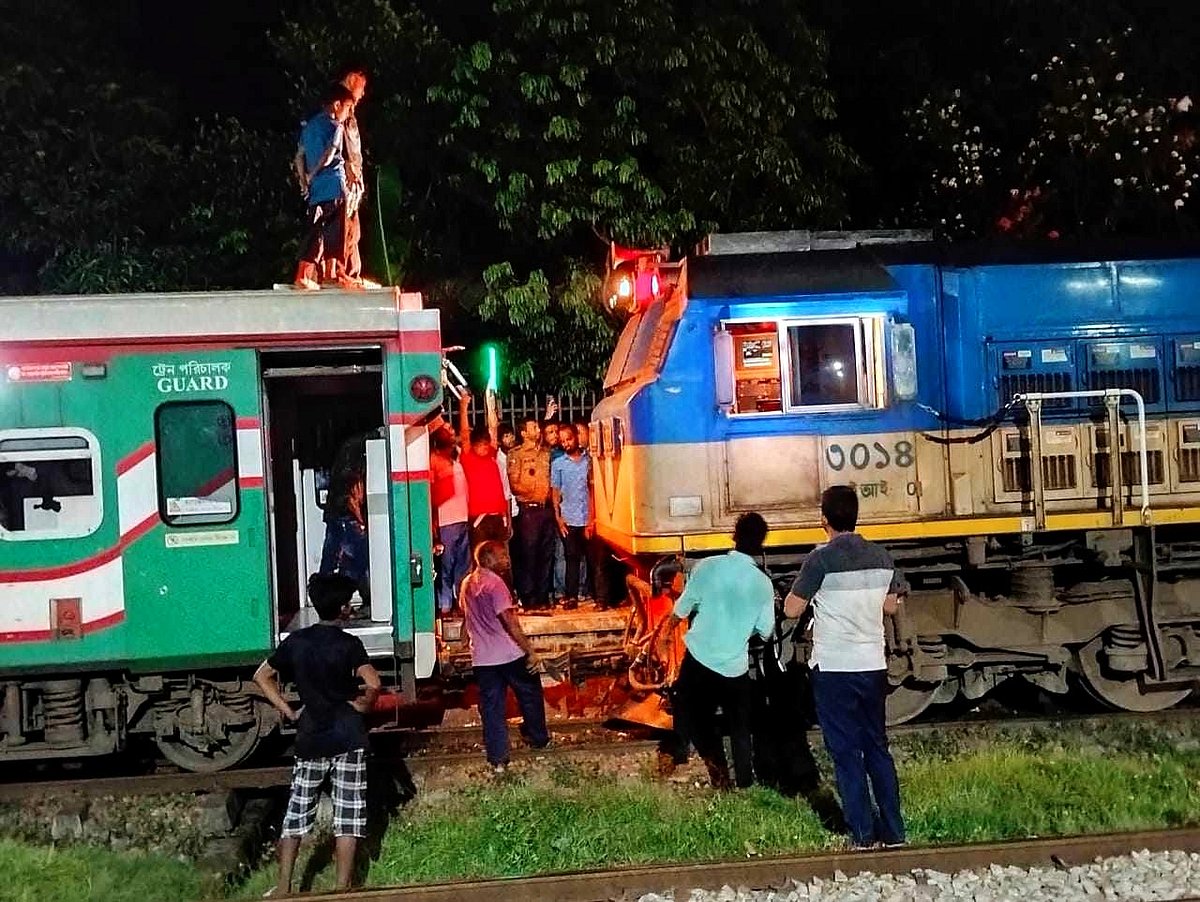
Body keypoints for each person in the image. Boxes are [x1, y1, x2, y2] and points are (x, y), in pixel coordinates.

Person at [783, 485, 906, 850]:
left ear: (824, 519)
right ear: (855, 516)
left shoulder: (819, 560)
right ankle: (895, 832)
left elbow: (792, 609)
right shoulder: (881, 557)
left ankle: (863, 835)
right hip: (872, 665)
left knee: (846, 752)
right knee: (877, 748)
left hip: (835, 667)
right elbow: (890, 607)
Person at [253, 574, 382, 895]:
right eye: (350, 602)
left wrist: (288, 710)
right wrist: (363, 705)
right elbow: (374, 683)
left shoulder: (296, 642)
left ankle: (284, 888)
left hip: (311, 735)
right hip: (348, 735)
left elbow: (261, 676)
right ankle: (342, 888)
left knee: (297, 812)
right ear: (341, 609)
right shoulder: (349, 644)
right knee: (349, 813)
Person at [656, 513, 776, 790]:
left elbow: (680, 610)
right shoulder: (762, 584)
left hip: (699, 658)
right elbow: (766, 630)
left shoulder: (707, 567)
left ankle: (681, 756)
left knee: (688, 709)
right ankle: (744, 780)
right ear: (761, 545)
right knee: (740, 726)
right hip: (734, 666)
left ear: (733, 536)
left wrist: (664, 637)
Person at [460, 540, 550, 773]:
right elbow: (510, 622)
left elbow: (466, 617)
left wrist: (464, 644)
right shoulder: (496, 584)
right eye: (502, 555)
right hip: (508, 653)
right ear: (488, 559)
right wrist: (530, 652)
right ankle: (538, 738)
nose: (507, 559)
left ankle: (498, 757)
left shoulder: (467, 583)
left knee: (492, 708)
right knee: (529, 692)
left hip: (482, 658)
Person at [292, 84, 356, 290]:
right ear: (337, 105)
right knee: (336, 232)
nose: (347, 114)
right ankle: (330, 274)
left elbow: (299, 156)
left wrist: (304, 180)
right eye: (347, 108)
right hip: (333, 186)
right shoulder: (336, 127)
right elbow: (330, 154)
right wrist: (314, 172)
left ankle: (305, 275)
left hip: (316, 191)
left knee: (315, 229)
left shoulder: (309, 127)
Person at [551, 424, 608, 610]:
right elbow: (555, 492)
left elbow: (593, 491)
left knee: (595, 561)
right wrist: (559, 518)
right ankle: (571, 597)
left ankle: (600, 599)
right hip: (569, 518)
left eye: (569, 439)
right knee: (571, 560)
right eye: (563, 441)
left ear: (576, 437)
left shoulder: (589, 461)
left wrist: (591, 520)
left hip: (589, 518)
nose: (566, 444)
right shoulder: (558, 464)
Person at [507, 416, 555, 610]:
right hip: (529, 510)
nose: (538, 429)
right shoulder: (516, 454)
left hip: (546, 509)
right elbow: (515, 484)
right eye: (533, 427)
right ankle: (529, 598)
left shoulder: (546, 453)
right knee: (528, 555)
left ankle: (543, 597)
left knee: (546, 554)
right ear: (524, 433)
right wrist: (534, 492)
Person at [457, 392, 510, 553]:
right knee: (481, 560)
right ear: (474, 445)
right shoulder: (468, 457)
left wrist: (490, 401)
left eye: (486, 444)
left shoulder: (492, 454)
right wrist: (463, 406)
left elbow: (493, 428)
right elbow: (465, 434)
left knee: (501, 561)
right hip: (480, 518)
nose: (484, 448)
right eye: (481, 445)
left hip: (498, 516)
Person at [431, 425, 469, 615]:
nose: (453, 436)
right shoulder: (434, 461)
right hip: (446, 521)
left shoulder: (456, 459)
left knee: (462, 565)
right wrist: (434, 525)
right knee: (446, 566)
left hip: (462, 519)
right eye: (449, 433)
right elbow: (431, 495)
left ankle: (459, 602)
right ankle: (445, 604)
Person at [337, 67, 368, 284]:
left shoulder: (352, 114)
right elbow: (336, 141)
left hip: (355, 176)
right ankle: (340, 270)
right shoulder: (342, 111)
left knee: (353, 226)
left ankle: (352, 271)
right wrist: (347, 165)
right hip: (346, 177)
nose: (363, 94)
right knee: (343, 224)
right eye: (361, 89)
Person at [319, 471, 369, 605]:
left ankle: (327, 602)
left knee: (334, 560)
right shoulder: (353, 464)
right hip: (346, 514)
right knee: (359, 562)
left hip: (338, 511)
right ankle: (365, 600)